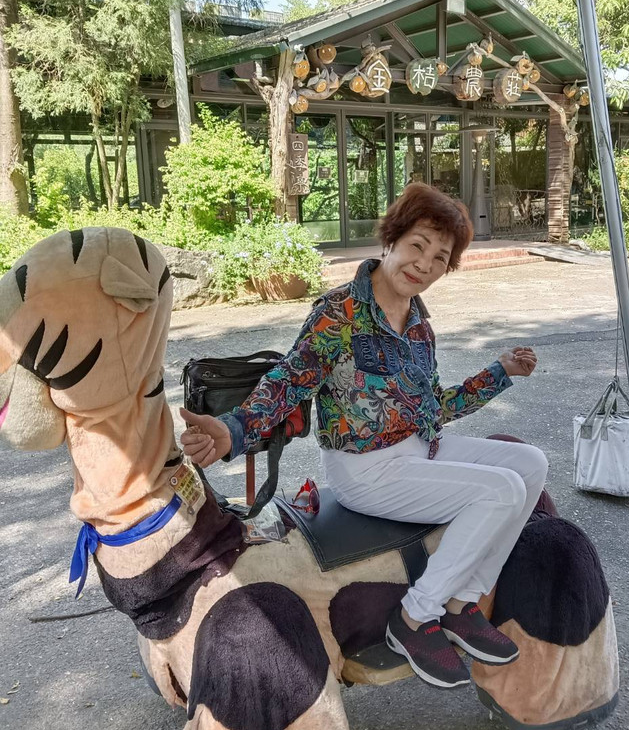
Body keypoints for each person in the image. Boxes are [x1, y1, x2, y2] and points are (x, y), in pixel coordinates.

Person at [180, 183, 547, 689]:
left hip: (421, 451)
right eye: (418, 245)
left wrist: (499, 372)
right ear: (391, 239)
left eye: (440, 258)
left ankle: (463, 603)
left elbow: (433, 409)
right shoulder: (340, 313)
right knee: (500, 489)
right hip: (367, 471)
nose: (424, 264)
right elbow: (289, 381)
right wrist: (231, 429)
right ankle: (415, 617)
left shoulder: (419, 326)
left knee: (530, 464)